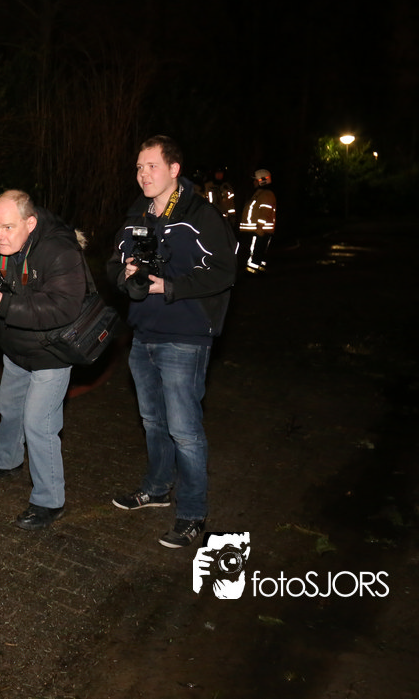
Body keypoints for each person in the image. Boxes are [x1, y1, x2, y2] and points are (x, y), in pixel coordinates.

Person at [107, 135, 237, 549]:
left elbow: (224, 271)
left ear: (174, 169)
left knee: (184, 430)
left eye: (152, 166)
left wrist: (171, 286)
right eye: (139, 167)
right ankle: (157, 488)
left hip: (185, 336)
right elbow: (112, 263)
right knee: (153, 421)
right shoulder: (136, 215)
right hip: (143, 333)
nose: (143, 174)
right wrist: (125, 274)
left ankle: (193, 513)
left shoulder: (200, 215)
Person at [0, 189, 86, 531]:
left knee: (39, 423)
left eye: (7, 227)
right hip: (15, 345)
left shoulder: (60, 250)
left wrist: (4, 306)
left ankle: (49, 500)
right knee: (9, 406)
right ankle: (7, 461)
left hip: (52, 351)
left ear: (30, 224)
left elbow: (64, 308)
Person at [240, 168, 276, 273]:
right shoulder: (261, 193)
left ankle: (252, 270)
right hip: (257, 230)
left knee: (255, 251)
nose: (254, 182)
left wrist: (259, 228)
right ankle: (257, 268)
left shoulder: (266, 195)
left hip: (259, 230)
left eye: (255, 180)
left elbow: (265, 213)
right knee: (258, 252)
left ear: (262, 181)